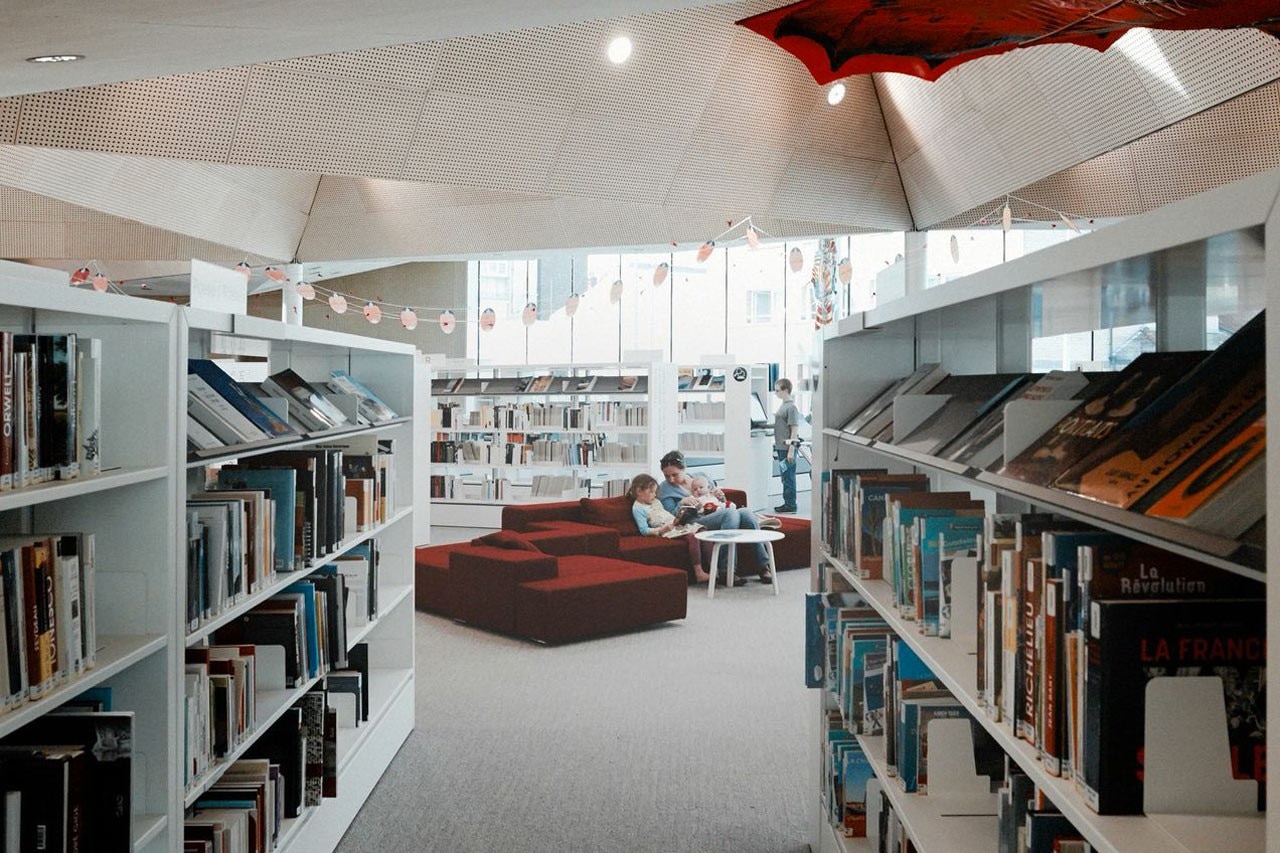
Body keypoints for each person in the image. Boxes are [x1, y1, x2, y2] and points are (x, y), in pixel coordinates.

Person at [658, 450, 773, 583]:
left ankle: (763, 566)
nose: (671, 479)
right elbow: (671, 516)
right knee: (730, 514)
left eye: (675, 474)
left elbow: (718, 501)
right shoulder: (665, 488)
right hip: (694, 521)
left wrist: (721, 496)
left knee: (746, 513)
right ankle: (726, 570)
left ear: (684, 468)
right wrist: (681, 503)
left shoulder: (701, 477)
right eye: (667, 476)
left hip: (715, 512)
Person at [627, 473, 712, 584]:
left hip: (675, 524)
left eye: (655, 492)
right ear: (639, 491)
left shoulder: (656, 501)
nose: (654, 495)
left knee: (703, 532)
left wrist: (680, 516)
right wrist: (661, 530)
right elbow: (643, 530)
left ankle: (713, 568)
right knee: (692, 537)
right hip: (665, 530)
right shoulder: (638, 508)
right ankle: (698, 572)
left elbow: (665, 514)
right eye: (652, 492)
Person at [772, 377, 802, 513]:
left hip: (787, 448)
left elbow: (794, 430)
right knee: (785, 476)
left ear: (785, 390)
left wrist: (791, 450)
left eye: (777, 390)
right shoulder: (783, 405)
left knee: (788, 476)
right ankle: (787, 502)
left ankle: (791, 504)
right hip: (781, 447)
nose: (776, 393)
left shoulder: (791, 407)